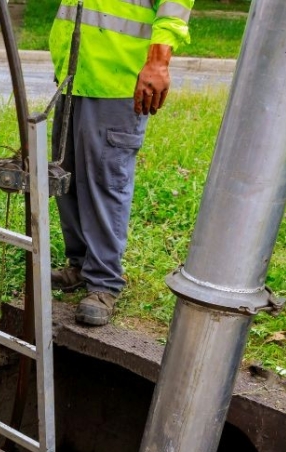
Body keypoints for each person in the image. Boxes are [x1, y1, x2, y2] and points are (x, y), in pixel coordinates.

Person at [48, 0, 193, 326]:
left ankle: (104, 283)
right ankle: (81, 263)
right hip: (76, 72)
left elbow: (175, 5)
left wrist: (158, 61)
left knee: (104, 180)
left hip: (117, 77)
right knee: (65, 175)